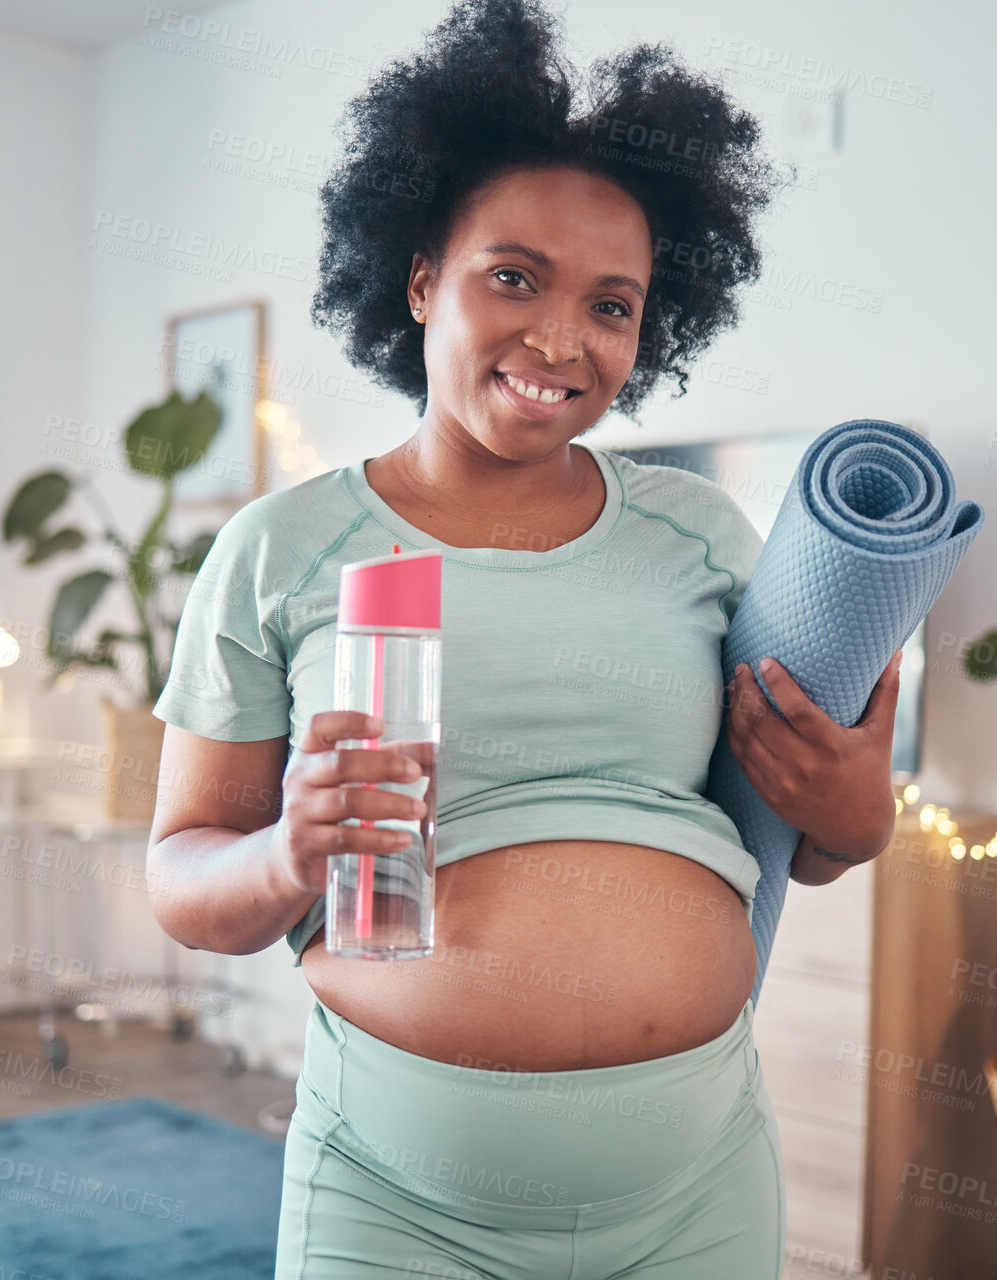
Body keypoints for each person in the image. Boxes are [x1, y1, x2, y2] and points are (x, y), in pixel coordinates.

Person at [146, 1, 901, 1275]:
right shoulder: (284, 548)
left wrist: (859, 807)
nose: (562, 341)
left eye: (612, 305)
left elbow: (806, 846)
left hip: (695, 1188)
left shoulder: (703, 533)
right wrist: (290, 848)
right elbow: (181, 879)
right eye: (513, 278)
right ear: (421, 278)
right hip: (394, 1198)